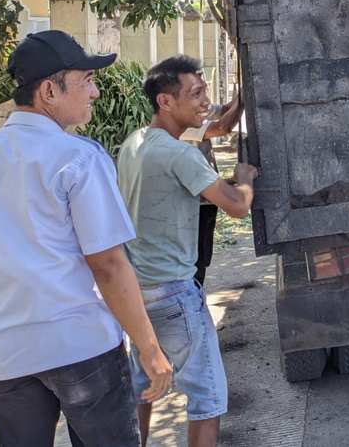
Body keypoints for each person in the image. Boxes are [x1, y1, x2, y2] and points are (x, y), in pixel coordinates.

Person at [0, 30, 171, 447]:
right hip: (80, 348)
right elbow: (107, 264)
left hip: (7, 355)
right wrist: (150, 348)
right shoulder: (78, 158)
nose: (96, 91)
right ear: (49, 90)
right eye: (86, 80)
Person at [117, 55, 257, 447]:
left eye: (206, 92)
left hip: (137, 291)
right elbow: (236, 206)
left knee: (143, 387)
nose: (204, 101)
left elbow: (218, 125)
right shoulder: (179, 154)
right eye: (196, 94)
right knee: (207, 399)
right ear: (165, 101)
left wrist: (239, 100)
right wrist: (244, 179)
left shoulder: (136, 143)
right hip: (173, 293)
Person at [180, 92, 244, 286]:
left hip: (206, 199)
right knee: (195, 260)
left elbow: (224, 110)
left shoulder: (198, 109)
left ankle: (196, 293)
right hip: (193, 203)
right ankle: (193, 298)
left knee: (203, 255)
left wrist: (241, 92)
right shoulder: (182, 123)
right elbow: (223, 127)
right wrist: (244, 99)